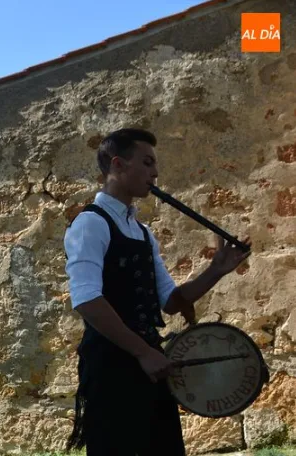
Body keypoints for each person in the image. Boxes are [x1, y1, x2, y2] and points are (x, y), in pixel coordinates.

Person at [64, 129, 252, 455]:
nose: (156, 173)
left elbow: (170, 301)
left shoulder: (142, 231)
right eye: (148, 162)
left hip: (150, 362)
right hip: (111, 366)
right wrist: (143, 352)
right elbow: (87, 300)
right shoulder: (90, 223)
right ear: (119, 165)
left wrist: (217, 270)